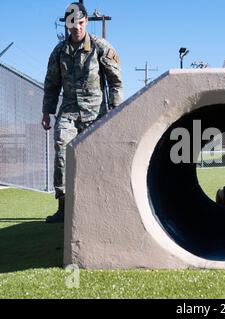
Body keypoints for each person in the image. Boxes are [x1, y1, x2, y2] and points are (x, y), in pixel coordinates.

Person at [42, 2, 123, 223]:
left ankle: (103, 204)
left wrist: (116, 110)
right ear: (67, 26)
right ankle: (64, 205)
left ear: (86, 21)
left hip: (96, 113)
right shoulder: (59, 52)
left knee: (99, 158)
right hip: (68, 111)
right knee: (61, 150)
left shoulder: (101, 47)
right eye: (72, 24)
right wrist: (46, 112)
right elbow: (51, 84)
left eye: (80, 23)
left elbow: (115, 82)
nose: (77, 28)